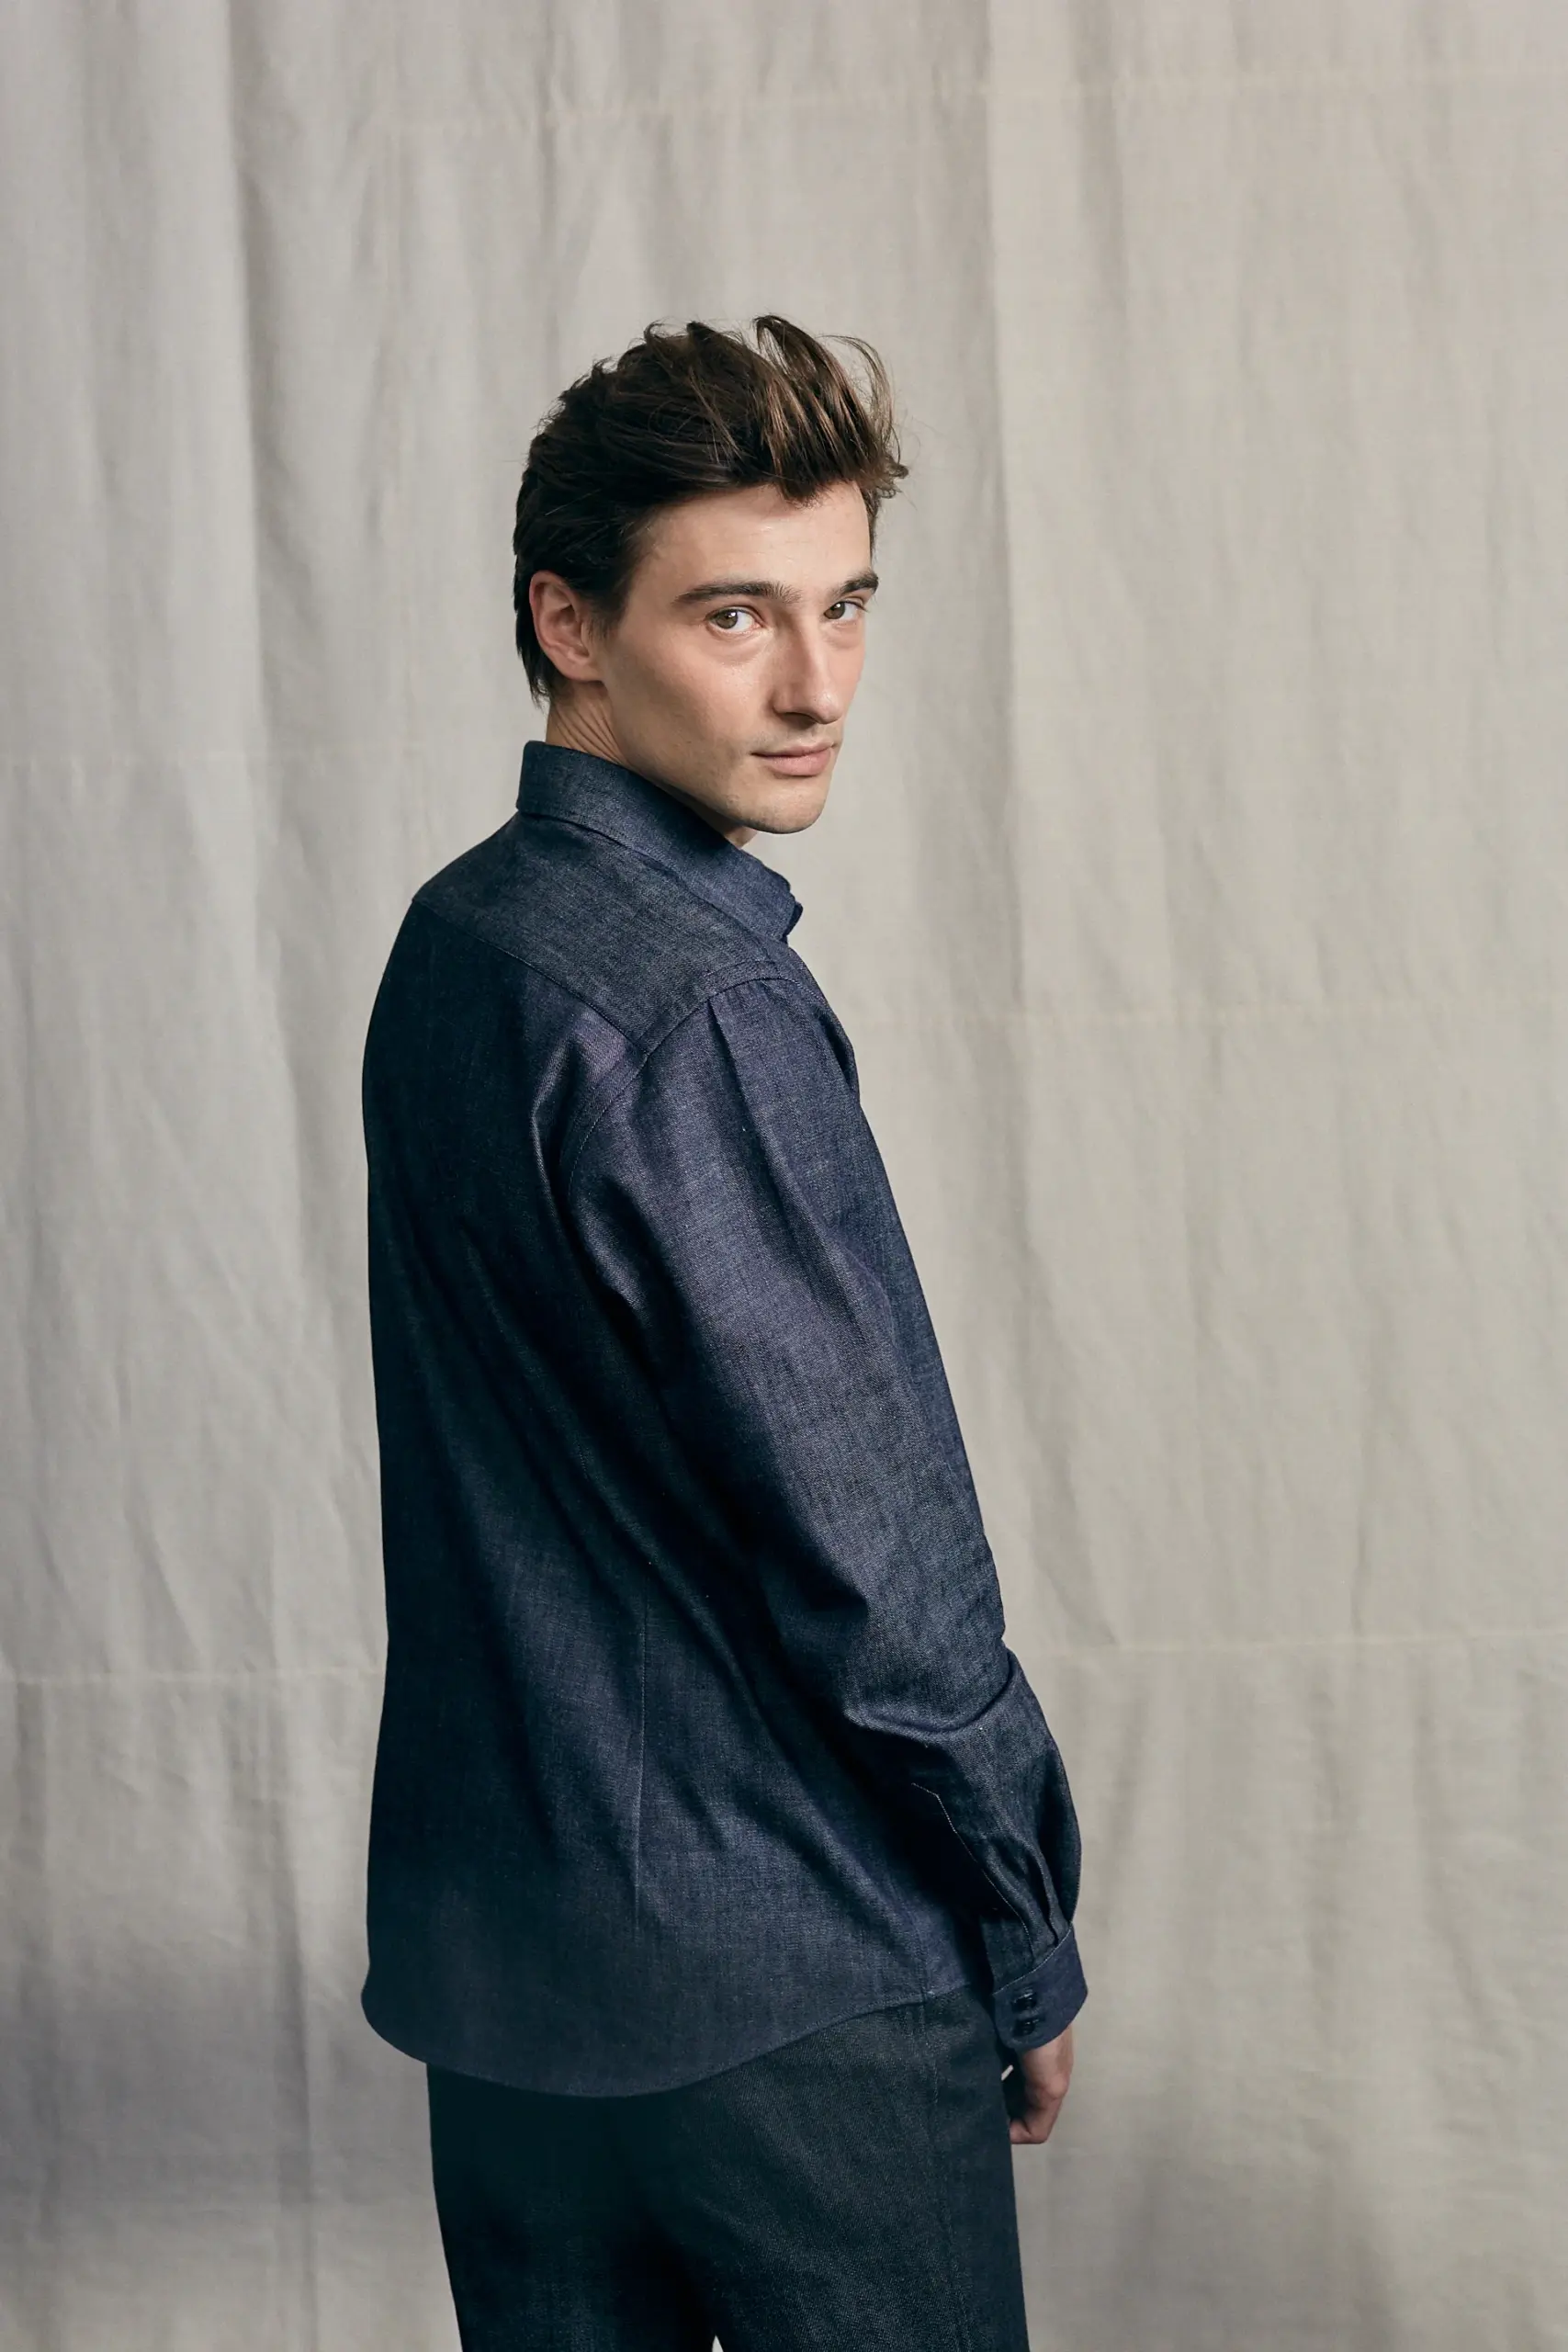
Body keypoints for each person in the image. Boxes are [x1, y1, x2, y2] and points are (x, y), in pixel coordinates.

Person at [359, 314, 1087, 2352]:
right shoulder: (701, 1008)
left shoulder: (453, 945)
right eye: (735, 614)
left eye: (844, 605)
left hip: (511, 1994)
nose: (815, 684)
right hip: (792, 1994)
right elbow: (882, 1564)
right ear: (568, 624)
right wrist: (1022, 1927)